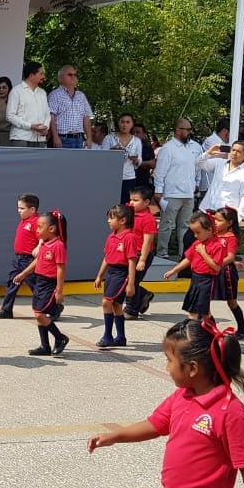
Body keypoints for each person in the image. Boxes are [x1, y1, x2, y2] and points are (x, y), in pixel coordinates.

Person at [87, 319, 244, 488]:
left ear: (193, 368)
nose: (167, 367)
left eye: (169, 360)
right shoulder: (182, 396)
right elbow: (155, 424)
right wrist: (116, 436)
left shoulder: (230, 412)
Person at [14, 210, 70, 356]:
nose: (37, 230)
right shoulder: (45, 244)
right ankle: (45, 346)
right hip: (40, 280)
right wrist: (24, 274)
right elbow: (37, 260)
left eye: (40, 227)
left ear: (51, 229)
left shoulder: (58, 246)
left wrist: (59, 290)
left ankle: (60, 338)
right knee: (38, 313)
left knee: (40, 314)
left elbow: (60, 269)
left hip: (49, 283)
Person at [155, 119, 204, 256]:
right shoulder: (168, 148)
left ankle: (184, 254)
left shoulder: (193, 147)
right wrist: (158, 190)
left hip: (188, 193)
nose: (189, 132)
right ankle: (162, 253)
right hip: (171, 193)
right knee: (167, 224)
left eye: (190, 129)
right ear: (178, 130)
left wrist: (196, 184)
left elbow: (196, 168)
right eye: (187, 129)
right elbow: (160, 171)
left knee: (186, 226)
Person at [163, 211, 224, 321]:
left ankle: (193, 331)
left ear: (209, 230)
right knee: (202, 310)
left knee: (197, 310)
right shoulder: (197, 244)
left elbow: (216, 267)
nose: (195, 236)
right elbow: (188, 259)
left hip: (207, 280)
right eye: (193, 233)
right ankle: (209, 331)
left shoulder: (217, 245)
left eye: (198, 232)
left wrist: (203, 253)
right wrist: (174, 270)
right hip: (195, 278)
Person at [93, 205, 139, 348]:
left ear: (123, 220)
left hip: (122, 273)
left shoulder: (129, 237)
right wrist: (99, 275)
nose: (108, 221)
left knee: (106, 302)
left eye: (111, 218)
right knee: (116, 305)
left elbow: (132, 261)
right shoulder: (111, 236)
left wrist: (131, 283)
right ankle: (121, 337)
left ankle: (108, 336)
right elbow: (107, 257)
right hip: (111, 273)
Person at [0, 193, 39, 320]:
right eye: (18, 208)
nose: (19, 211)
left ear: (32, 209)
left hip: (29, 260)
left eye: (22, 208)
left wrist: (38, 247)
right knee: (12, 283)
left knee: (35, 286)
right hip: (18, 259)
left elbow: (42, 239)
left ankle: (53, 308)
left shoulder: (36, 222)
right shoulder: (24, 221)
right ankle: (6, 310)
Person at [210, 207, 244, 338]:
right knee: (205, 299)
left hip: (226, 273)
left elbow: (230, 257)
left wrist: (217, 264)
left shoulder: (230, 237)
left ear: (229, 223)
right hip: (213, 271)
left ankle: (242, 328)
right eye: (215, 219)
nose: (215, 222)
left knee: (231, 301)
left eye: (219, 220)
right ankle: (210, 329)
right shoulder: (213, 235)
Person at [124, 186, 159, 319]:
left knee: (132, 281)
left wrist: (142, 259)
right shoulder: (129, 213)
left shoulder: (148, 219)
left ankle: (131, 309)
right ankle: (143, 294)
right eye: (131, 199)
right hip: (129, 253)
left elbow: (147, 241)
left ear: (146, 202)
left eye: (135, 200)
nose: (131, 202)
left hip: (140, 254)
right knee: (127, 279)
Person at [197, 140, 244, 220]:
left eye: (238, 151)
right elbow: (199, 164)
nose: (234, 153)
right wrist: (208, 153)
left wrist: (239, 218)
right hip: (206, 209)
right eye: (233, 150)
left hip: (224, 216)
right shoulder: (219, 163)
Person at [5, 61, 50, 147]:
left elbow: (47, 114)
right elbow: (10, 116)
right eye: (41, 74)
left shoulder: (42, 93)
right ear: (31, 75)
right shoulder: (17, 91)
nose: (43, 77)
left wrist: (45, 128)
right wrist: (30, 126)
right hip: (21, 137)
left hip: (40, 138)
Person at [48, 65, 93, 149]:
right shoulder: (54, 95)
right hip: (62, 139)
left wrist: (89, 138)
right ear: (60, 78)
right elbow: (51, 117)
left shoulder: (81, 96)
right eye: (69, 74)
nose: (73, 77)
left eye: (75, 75)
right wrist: (55, 137)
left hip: (79, 139)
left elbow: (86, 117)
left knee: (78, 162)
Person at [103, 113, 144, 204]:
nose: (125, 125)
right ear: (118, 123)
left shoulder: (136, 141)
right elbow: (102, 157)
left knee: (126, 205)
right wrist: (112, 151)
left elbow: (140, 160)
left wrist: (136, 160)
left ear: (132, 124)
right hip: (111, 177)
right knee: (110, 203)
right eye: (122, 122)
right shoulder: (109, 138)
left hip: (129, 177)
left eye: (128, 122)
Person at [131, 123, 156, 188]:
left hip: (144, 182)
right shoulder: (127, 147)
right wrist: (146, 164)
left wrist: (138, 162)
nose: (135, 134)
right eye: (133, 132)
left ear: (144, 134)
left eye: (138, 132)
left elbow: (153, 164)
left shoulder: (148, 148)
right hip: (129, 181)